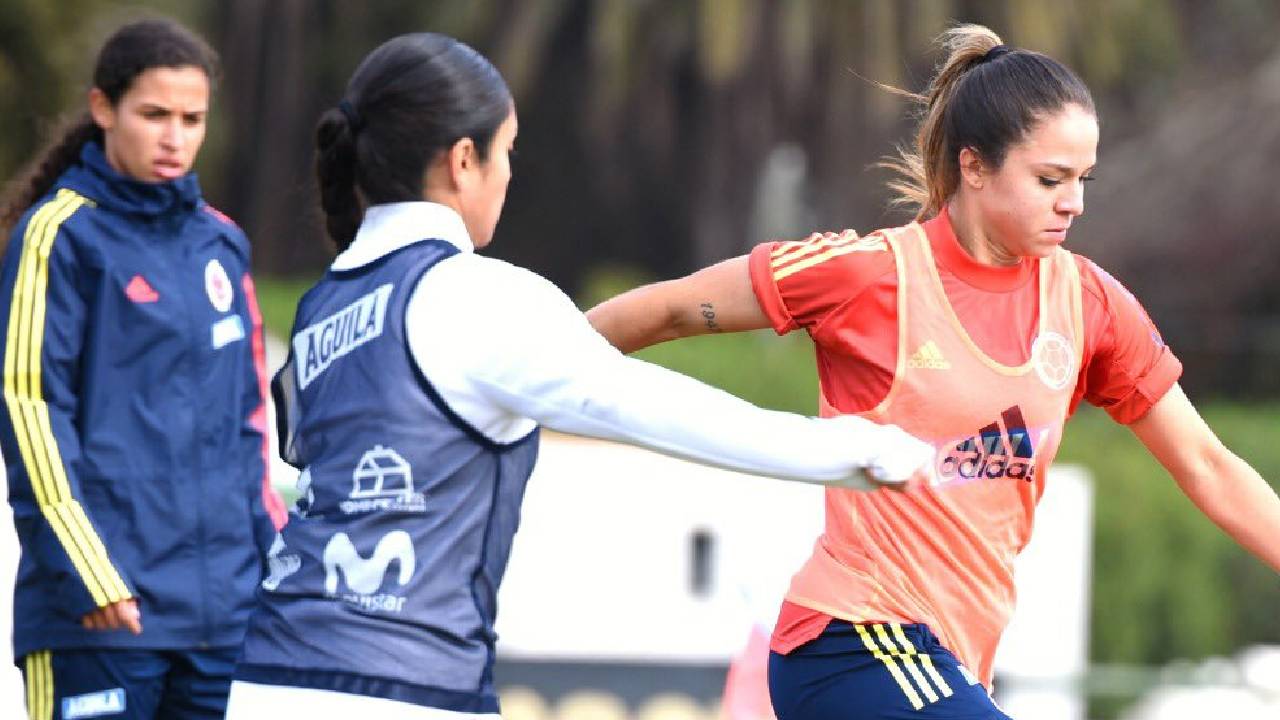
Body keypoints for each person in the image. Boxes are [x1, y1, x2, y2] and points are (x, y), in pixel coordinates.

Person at [224, 32, 934, 719]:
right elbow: (650, 405)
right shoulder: (469, 295)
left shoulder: (326, 304)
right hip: (401, 688)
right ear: (464, 160)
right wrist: (856, 450)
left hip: (265, 676)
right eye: (508, 152)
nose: (510, 174)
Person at [588, 24, 1280, 720]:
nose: (1074, 203)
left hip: (951, 664)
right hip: (849, 640)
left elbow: (1208, 466)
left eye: (1081, 180)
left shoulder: (1088, 302)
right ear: (974, 166)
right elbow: (671, 309)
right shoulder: (871, 275)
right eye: (1050, 180)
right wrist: (531, 374)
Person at [0, 18, 287, 720]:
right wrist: (87, 575)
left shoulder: (222, 246)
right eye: (154, 115)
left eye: (193, 119)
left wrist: (276, 570)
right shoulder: (58, 235)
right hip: (99, 616)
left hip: (222, 621)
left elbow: (250, 427)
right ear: (104, 109)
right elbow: (29, 407)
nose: (175, 138)